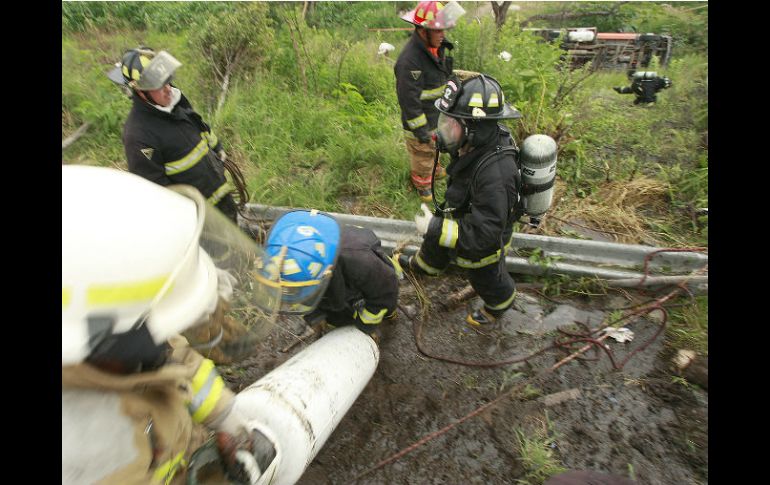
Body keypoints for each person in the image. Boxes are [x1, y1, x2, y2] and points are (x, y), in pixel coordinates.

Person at [62, 165, 283, 484]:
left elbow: (177, 360)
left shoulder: (127, 344)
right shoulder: (88, 450)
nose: (170, 339)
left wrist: (226, 418)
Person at [395, 73, 523, 327]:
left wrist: (434, 227)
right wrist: (438, 227)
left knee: (484, 275)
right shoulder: (475, 143)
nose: (442, 130)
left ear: (474, 127)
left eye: (450, 122)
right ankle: (425, 266)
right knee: (439, 236)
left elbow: (483, 235)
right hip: (463, 210)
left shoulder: (496, 175)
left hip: (484, 243)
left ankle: (499, 304)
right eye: (445, 120)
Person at [109, 47, 241, 223]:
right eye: (159, 85)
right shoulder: (138, 135)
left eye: (167, 81)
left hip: (220, 195)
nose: (168, 89)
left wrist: (218, 149)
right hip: (200, 220)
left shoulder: (173, 100)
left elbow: (199, 125)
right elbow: (156, 190)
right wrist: (191, 218)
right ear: (141, 92)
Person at [259, 209, 399, 342]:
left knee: (384, 309)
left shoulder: (361, 261)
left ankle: (390, 318)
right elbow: (298, 297)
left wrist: (365, 327)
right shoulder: (283, 268)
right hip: (335, 283)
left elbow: (386, 293)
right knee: (336, 319)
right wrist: (315, 317)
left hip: (373, 280)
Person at [394, 1, 466, 203]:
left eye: (443, 29)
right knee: (422, 154)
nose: (442, 34)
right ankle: (423, 183)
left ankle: (433, 169)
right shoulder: (409, 62)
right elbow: (409, 102)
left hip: (436, 117)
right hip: (420, 123)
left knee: (434, 149)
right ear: (422, 30)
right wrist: (421, 132)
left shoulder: (435, 48)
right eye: (438, 30)